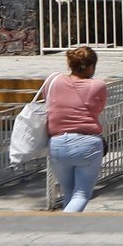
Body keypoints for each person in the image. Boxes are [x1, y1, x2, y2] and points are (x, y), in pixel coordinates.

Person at [46, 45, 108, 212]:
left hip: (57, 143)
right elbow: (98, 109)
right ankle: (62, 225)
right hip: (87, 143)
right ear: (91, 66)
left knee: (69, 192)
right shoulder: (98, 85)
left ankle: (68, 226)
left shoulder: (55, 81)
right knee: (81, 194)